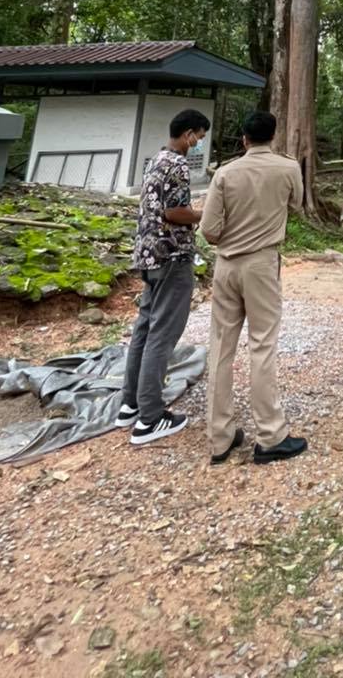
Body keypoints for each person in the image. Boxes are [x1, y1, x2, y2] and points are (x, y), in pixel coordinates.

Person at [200, 111, 308, 465]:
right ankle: (270, 435)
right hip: (262, 264)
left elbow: (209, 230)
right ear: (273, 137)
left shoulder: (225, 173)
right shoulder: (288, 168)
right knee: (262, 345)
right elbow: (297, 204)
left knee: (220, 347)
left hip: (226, 265)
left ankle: (220, 437)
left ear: (244, 139)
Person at [118, 108, 211, 445]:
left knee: (144, 330)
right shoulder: (178, 164)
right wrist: (204, 214)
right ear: (188, 134)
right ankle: (150, 418)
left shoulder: (156, 160)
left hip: (148, 255)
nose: (199, 144)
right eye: (199, 138)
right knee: (162, 334)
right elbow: (174, 212)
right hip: (171, 256)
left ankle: (130, 404)